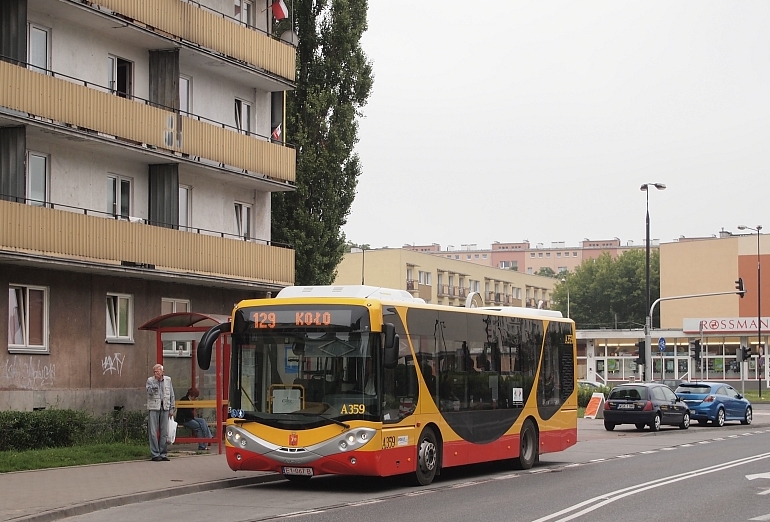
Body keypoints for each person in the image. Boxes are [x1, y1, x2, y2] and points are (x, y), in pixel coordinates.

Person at [146, 363, 175, 461]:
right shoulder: (150, 380)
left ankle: (163, 454)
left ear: (163, 372)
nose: (156, 373)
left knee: (164, 432)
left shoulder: (168, 380)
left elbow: (171, 395)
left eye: (158, 371)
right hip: (154, 408)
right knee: (153, 431)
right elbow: (149, 392)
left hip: (165, 407)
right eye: (154, 371)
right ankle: (155, 454)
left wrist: (172, 408)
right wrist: (154, 384)